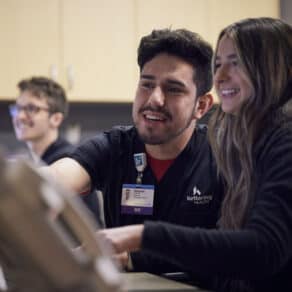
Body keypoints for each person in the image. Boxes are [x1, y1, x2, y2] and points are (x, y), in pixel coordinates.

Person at [97, 17, 292, 292]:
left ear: (277, 69)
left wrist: (142, 236)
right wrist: (135, 257)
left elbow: (264, 250)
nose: (220, 77)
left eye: (236, 63)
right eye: (218, 64)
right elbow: (225, 257)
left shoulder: (285, 139)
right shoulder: (243, 140)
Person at [47, 28, 223, 273]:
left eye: (173, 89)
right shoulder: (116, 146)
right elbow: (60, 176)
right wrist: (32, 195)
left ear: (201, 106)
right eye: (147, 84)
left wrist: (129, 258)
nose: (155, 99)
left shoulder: (222, 157)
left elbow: (229, 251)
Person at [9, 76, 102, 225]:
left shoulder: (68, 161)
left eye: (31, 109)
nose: (19, 116)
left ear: (56, 119)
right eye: (17, 108)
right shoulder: (35, 158)